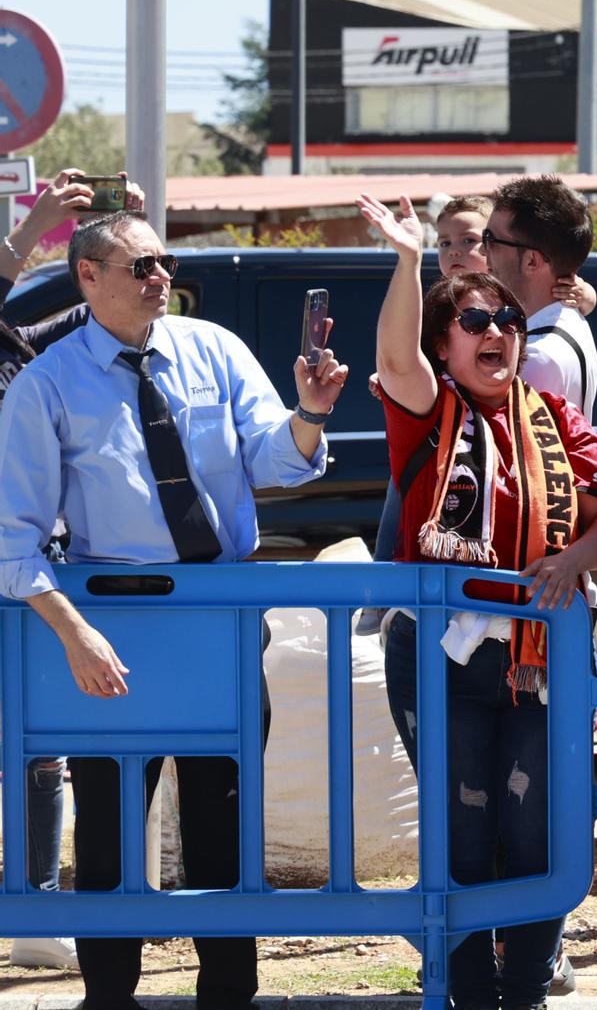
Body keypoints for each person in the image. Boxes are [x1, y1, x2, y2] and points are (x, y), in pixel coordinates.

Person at [0, 210, 347, 1009]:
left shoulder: (213, 349)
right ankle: (110, 997)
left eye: (165, 262)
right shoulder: (48, 382)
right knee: (112, 830)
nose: (161, 277)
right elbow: (14, 537)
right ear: (88, 277)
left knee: (224, 827)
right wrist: (73, 631)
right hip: (110, 626)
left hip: (219, 619)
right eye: (142, 266)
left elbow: (275, 459)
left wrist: (310, 414)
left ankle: (228, 995)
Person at [357, 192, 597, 1010]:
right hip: (441, 658)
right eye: (474, 322)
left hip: (544, 658)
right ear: (444, 345)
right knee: (464, 835)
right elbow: (395, 360)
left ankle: (531, 992)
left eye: (508, 321)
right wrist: (409, 261)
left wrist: (575, 558)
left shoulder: (555, 418)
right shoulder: (429, 414)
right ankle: (468, 992)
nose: (496, 334)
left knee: (539, 835)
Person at [0, 170, 141, 974]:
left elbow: (87, 321)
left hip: (31, 564)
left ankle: (38, 905)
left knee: (42, 747)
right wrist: (37, 227)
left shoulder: (26, 355)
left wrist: (122, 260)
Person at [487, 175, 597, 425]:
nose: (482, 251)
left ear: (531, 261)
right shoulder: (571, 318)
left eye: (490, 240)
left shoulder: (538, 356)